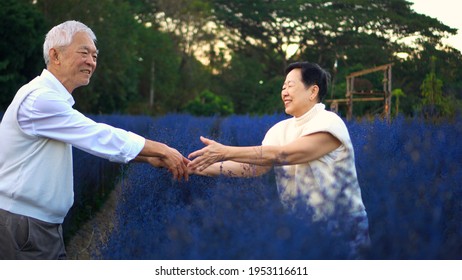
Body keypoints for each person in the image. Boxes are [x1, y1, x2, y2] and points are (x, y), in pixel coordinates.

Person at [0, 20, 189, 260]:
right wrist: (162, 149)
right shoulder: (40, 99)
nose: (91, 61)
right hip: (23, 227)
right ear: (55, 55)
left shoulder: (49, 99)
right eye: (84, 53)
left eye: (95, 56)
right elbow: (97, 136)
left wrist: (149, 157)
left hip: (35, 225)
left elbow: (92, 142)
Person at [188, 61, 370, 258]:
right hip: (301, 227)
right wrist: (197, 166)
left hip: (341, 226)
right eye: (283, 86)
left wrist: (226, 151)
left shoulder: (329, 122)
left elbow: (285, 155)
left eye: (290, 85)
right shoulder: (280, 129)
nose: (284, 92)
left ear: (313, 91)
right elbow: (253, 168)